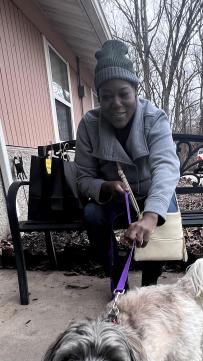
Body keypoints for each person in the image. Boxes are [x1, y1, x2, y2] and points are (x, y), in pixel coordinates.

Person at [75, 39, 180, 292]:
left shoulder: (154, 118)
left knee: (166, 211)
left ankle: (149, 287)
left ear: (135, 91)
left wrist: (152, 215)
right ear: (99, 97)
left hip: (150, 194)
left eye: (124, 94)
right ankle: (116, 276)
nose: (116, 103)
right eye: (107, 96)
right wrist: (105, 186)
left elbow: (166, 167)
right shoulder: (89, 124)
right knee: (91, 215)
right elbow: (83, 178)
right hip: (114, 198)